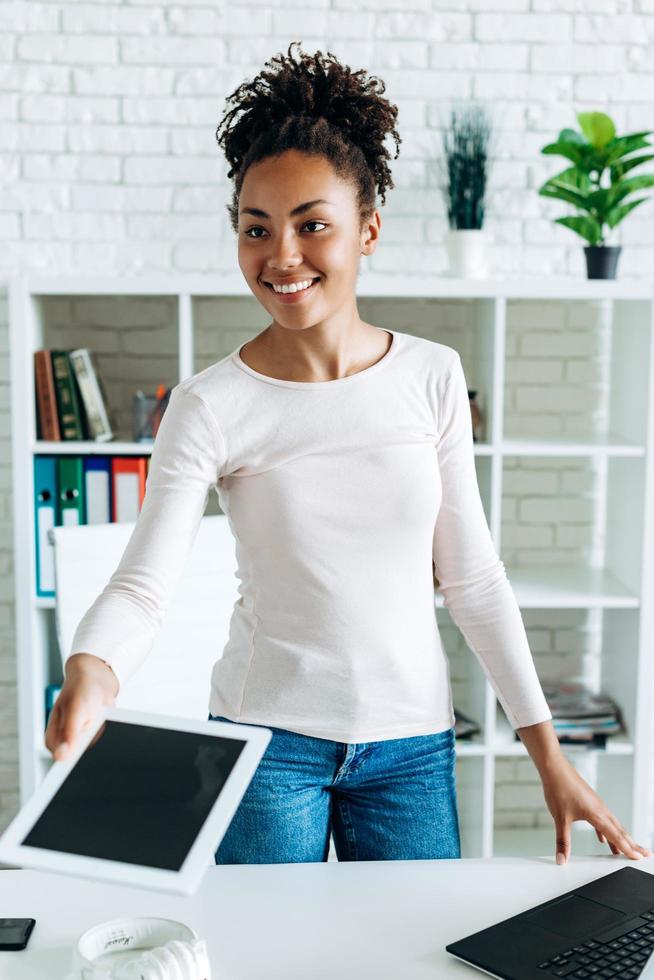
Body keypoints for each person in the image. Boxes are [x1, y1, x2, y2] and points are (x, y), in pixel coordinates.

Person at [45, 41, 651, 868]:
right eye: (256, 229)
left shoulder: (433, 376)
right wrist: (94, 670)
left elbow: (471, 580)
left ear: (367, 230)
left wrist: (548, 754)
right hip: (266, 750)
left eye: (312, 225)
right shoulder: (209, 404)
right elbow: (144, 586)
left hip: (412, 752)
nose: (281, 257)